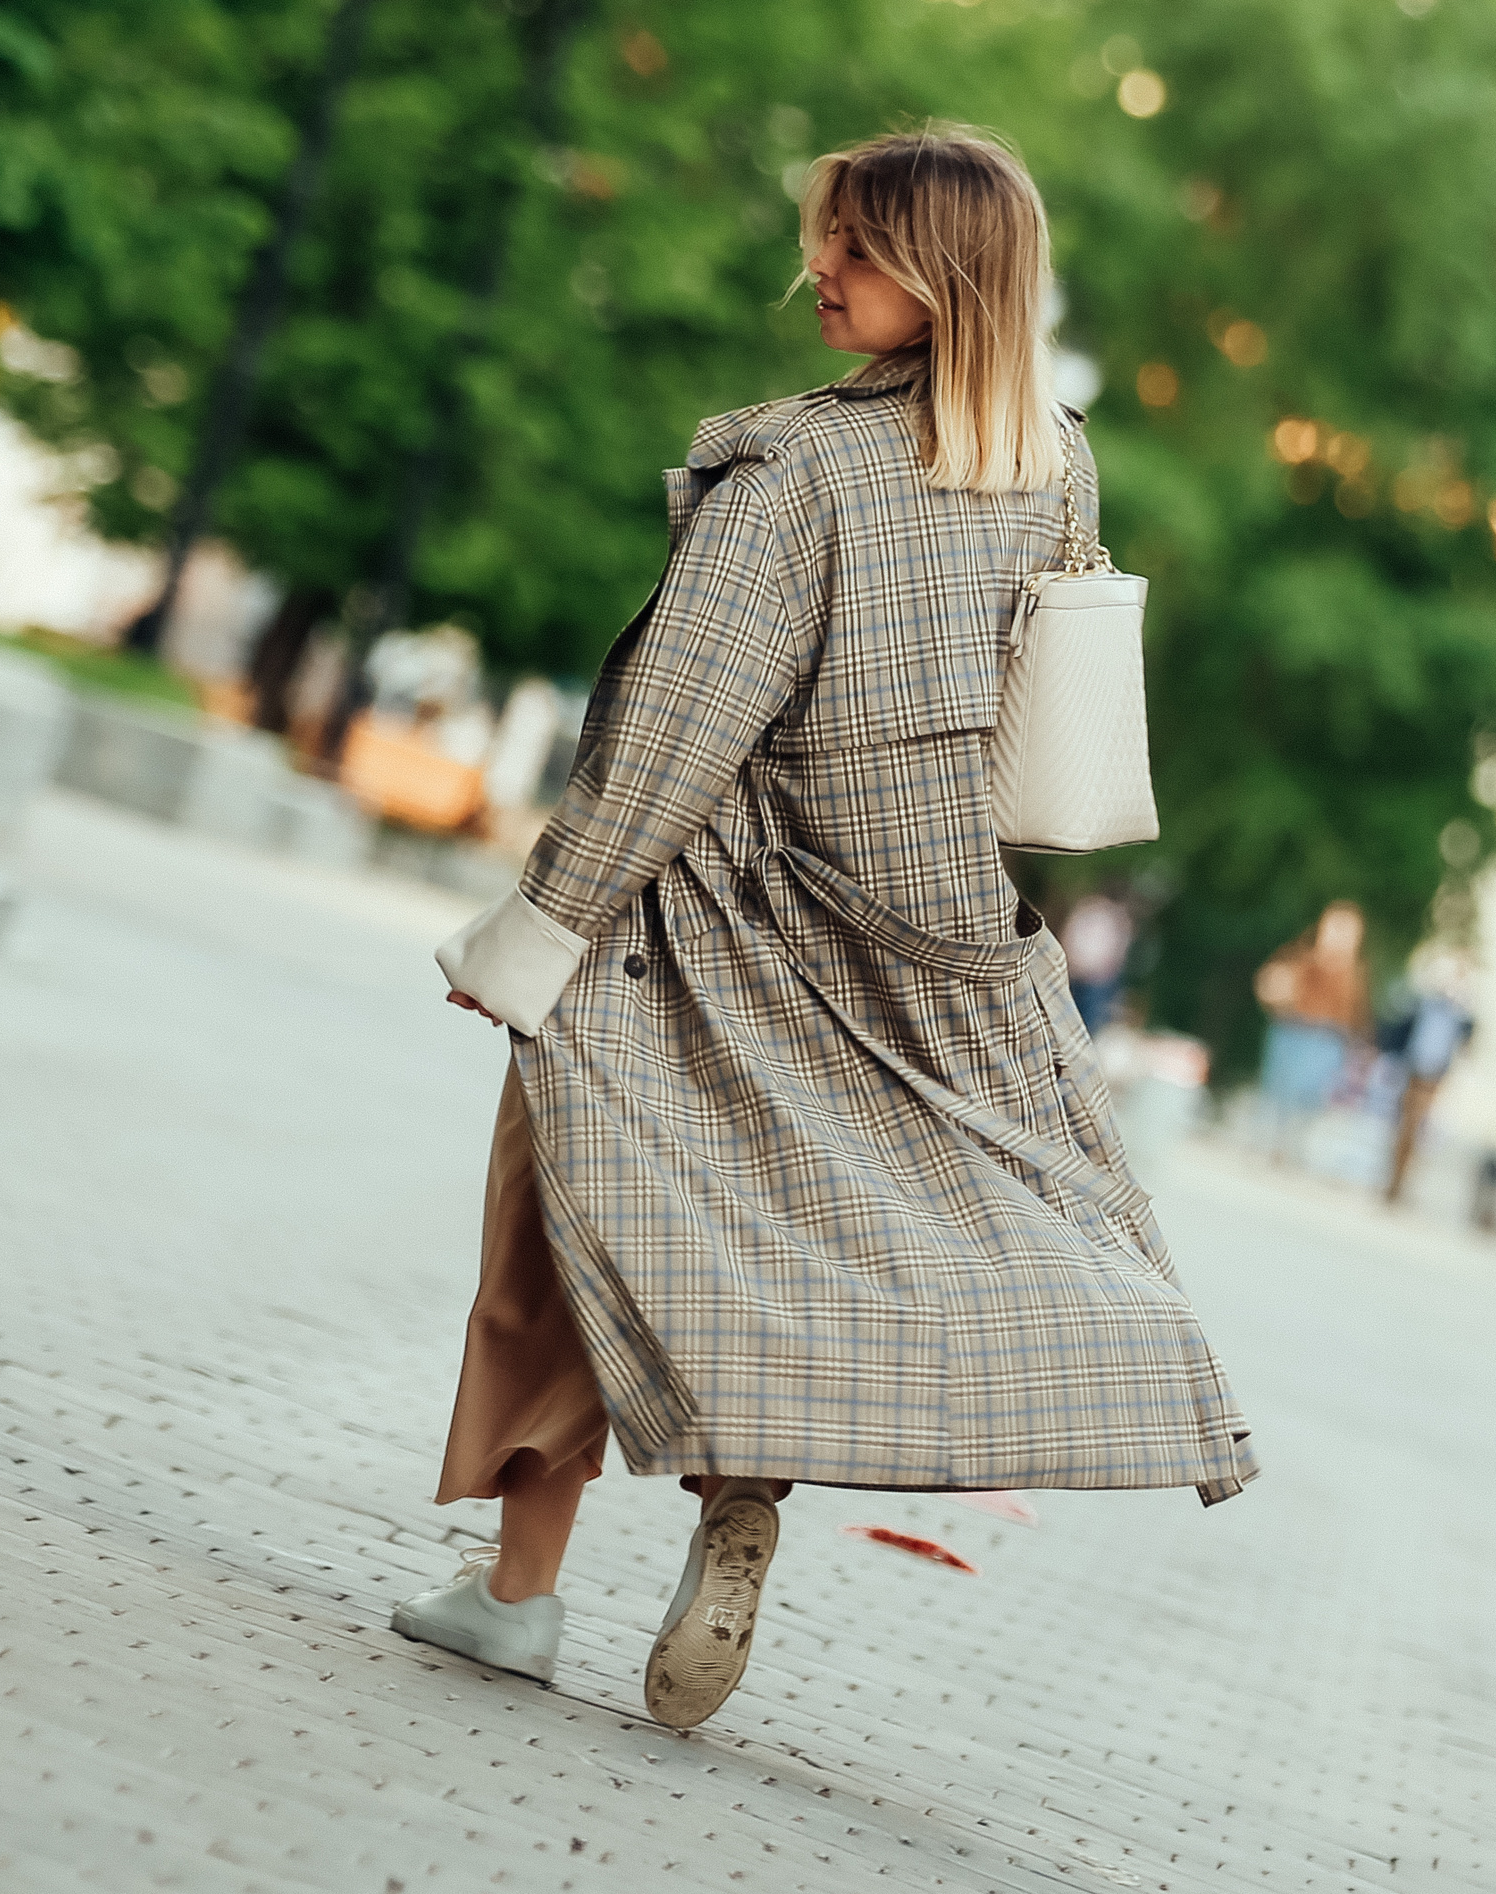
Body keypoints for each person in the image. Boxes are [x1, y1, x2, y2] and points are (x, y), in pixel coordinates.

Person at [397, 126, 1255, 1731]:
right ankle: (741, 1485)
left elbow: (680, 722)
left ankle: (517, 1598)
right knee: (795, 1234)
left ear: (942, 275)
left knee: (564, 1223)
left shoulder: (796, 471)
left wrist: (542, 926)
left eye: (855, 250)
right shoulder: (1051, 461)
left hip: (705, 914)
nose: (821, 275)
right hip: (921, 915)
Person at [1253, 901, 1369, 1166]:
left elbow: (1355, 1014)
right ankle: (1274, 1144)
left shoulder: (1353, 972)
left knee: (1311, 1095)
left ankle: (1292, 1147)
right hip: (1294, 1029)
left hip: (1328, 1039)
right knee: (1283, 1088)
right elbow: (1270, 984)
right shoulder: (1301, 957)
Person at [1383, 959, 1474, 1205]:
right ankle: (1392, 1180)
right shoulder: (1424, 1005)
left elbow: (1467, 1049)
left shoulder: (1463, 1018)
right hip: (1413, 1070)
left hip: (1435, 1078)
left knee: (1420, 1130)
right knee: (1402, 1125)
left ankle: (1403, 1183)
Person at [1057, 890, 1134, 1035]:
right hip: (1087, 973)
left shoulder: (1092, 911)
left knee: (1082, 1017)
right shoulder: (1109, 917)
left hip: (1090, 975)